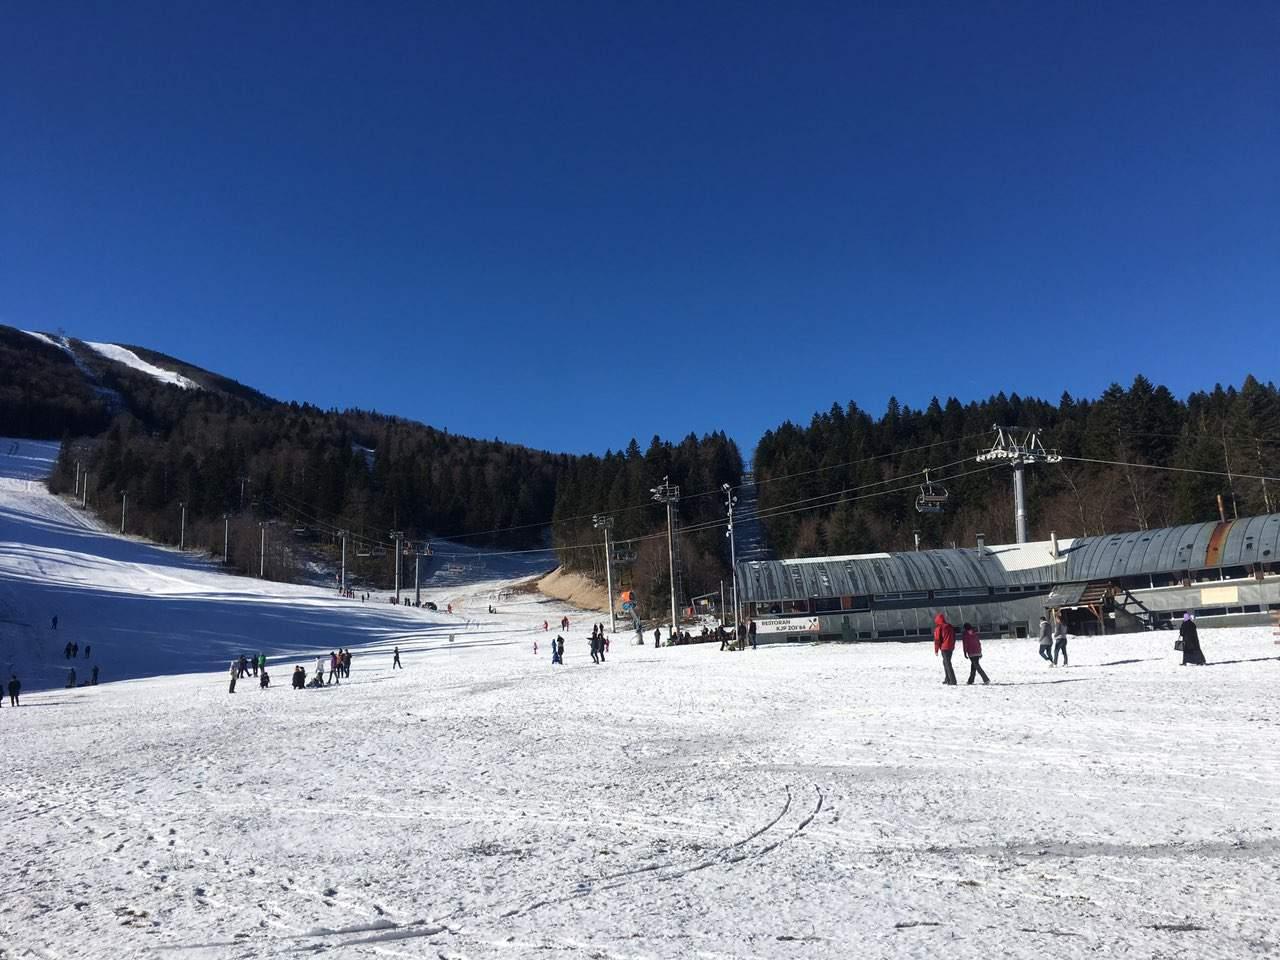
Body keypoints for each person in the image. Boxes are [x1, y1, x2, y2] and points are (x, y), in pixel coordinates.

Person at [933, 612, 957, 685]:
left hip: (944, 647)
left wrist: (936, 650)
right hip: (951, 647)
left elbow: (937, 640)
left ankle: (952, 680)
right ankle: (947, 678)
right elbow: (954, 636)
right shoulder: (950, 626)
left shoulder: (939, 628)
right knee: (945, 662)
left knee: (947, 663)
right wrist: (952, 645)